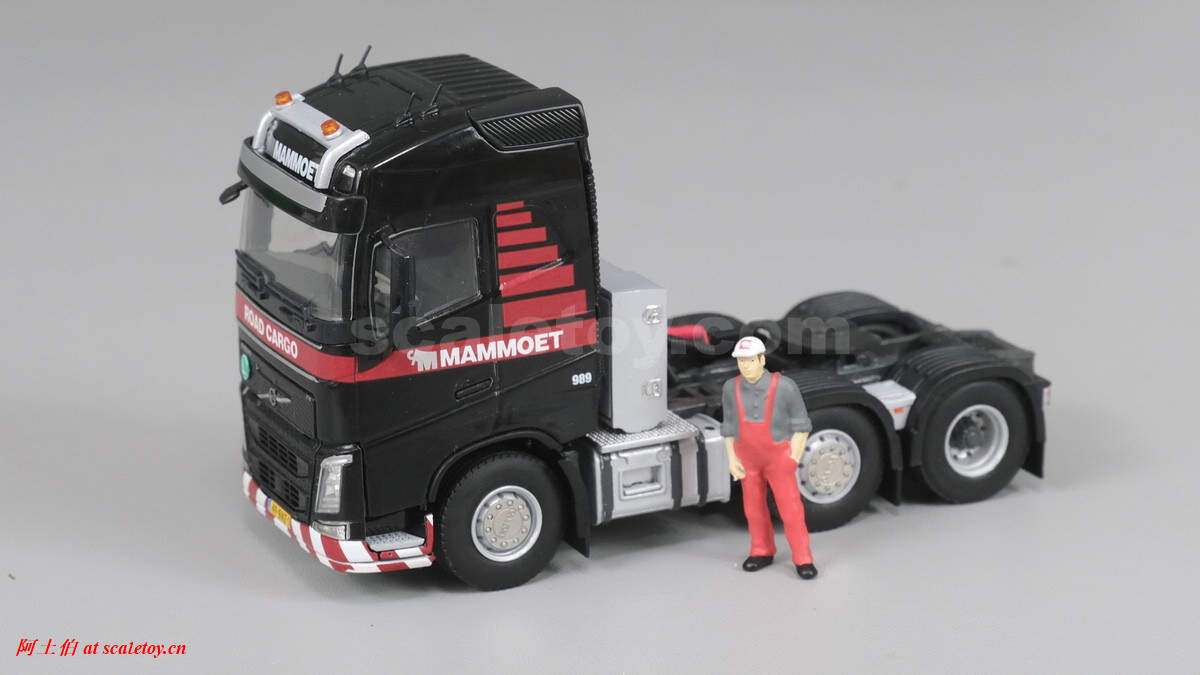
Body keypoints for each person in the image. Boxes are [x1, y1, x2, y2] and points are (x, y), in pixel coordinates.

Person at [721, 336, 818, 579]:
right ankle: (761, 550)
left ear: (762, 359)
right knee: (753, 509)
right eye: (741, 361)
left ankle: (803, 558)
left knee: (791, 510)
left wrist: (793, 457)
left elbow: (802, 425)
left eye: (750, 360)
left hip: (778, 457)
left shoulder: (785, 387)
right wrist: (732, 459)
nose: (745, 366)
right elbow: (729, 427)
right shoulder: (730, 388)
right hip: (747, 458)